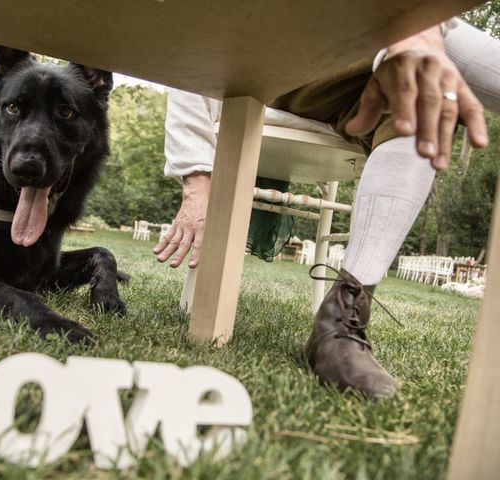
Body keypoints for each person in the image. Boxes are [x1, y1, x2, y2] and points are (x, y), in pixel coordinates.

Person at [154, 18, 500, 399]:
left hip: (386, 43)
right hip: (285, 64)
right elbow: (198, 30)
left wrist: (418, 30)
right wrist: (196, 178)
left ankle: (342, 315)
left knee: (423, 78)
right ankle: (338, 324)